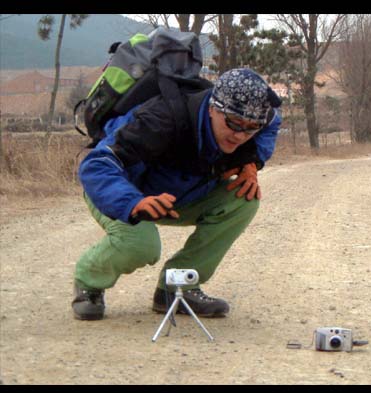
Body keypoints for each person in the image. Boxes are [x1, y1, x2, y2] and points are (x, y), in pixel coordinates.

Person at [73, 68, 282, 321]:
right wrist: (133, 202)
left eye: (250, 128)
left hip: (179, 195)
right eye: (233, 123)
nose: (240, 135)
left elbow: (272, 123)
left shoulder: (256, 120)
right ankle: (89, 283)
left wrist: (253, 161)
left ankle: (176, 288)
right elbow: (95, 165)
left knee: (244, 199)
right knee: (141, 245)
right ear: (213, 108)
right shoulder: (160, 119)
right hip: (119, 191)